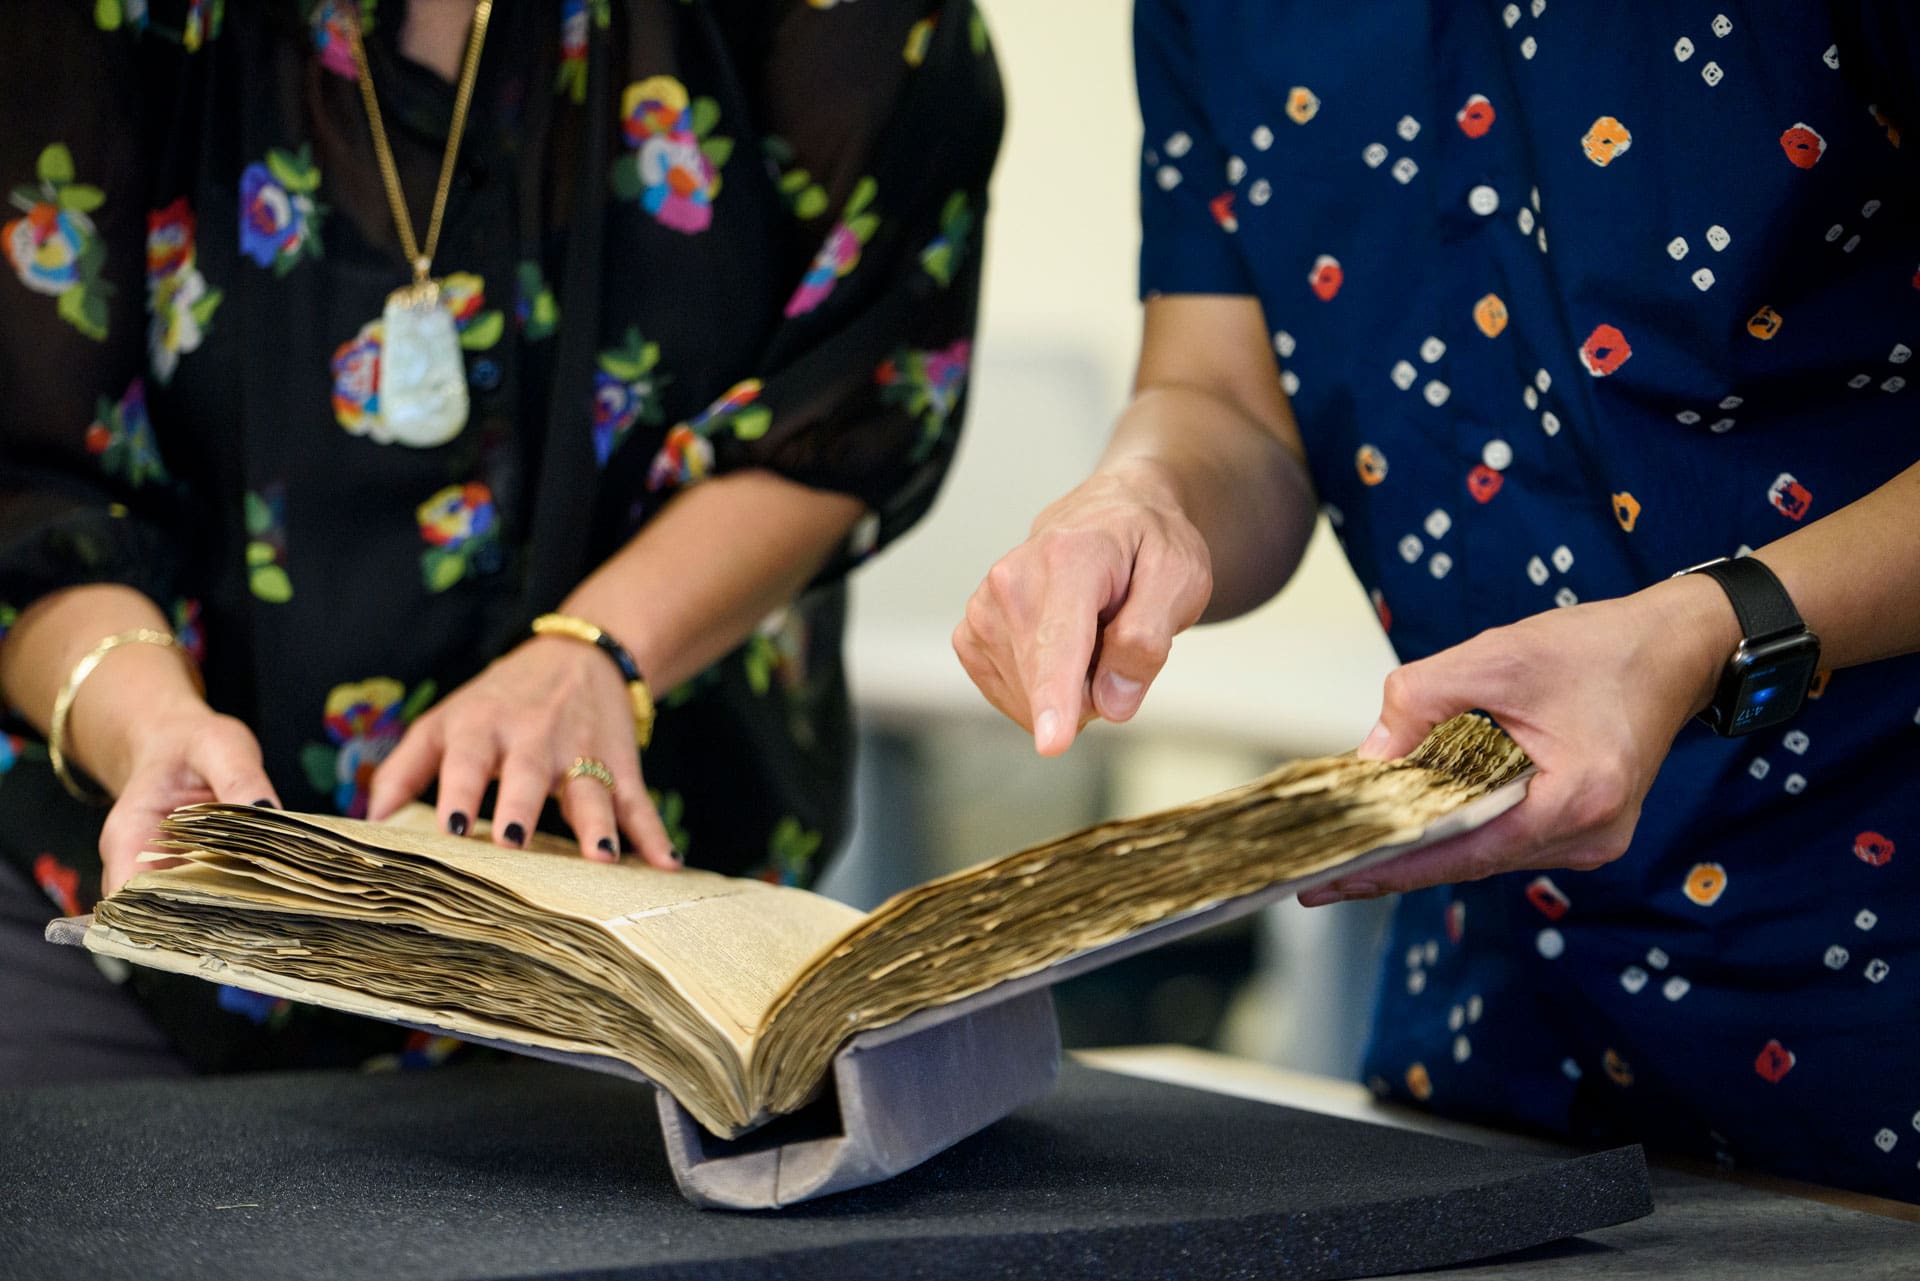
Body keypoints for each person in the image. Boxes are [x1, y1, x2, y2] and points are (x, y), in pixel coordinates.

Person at [956, 1, 1919, 1201]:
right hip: (1501, 1009)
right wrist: (1140, 493)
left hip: (1879, 960)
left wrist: (1702, 632)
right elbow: (1230, 402)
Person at [0, 0, 1001, 1082]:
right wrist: (143, 722)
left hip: (635, 944)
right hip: (118, 936)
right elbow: (26, 471)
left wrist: (601, 652)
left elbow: (861, 386)